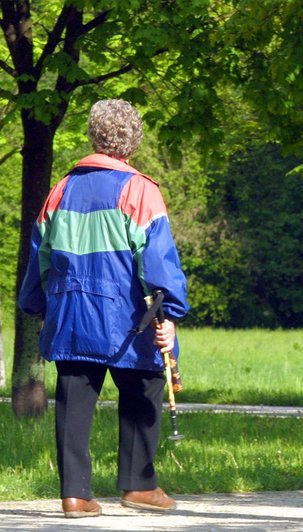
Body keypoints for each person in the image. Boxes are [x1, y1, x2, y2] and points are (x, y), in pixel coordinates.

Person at [18, 99, 189, 519]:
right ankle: (139, 485)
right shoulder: (139, 190)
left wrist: (35, 303)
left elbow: (40, 255)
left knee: (73, 402)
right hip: (127, 318)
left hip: (71, 317)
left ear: (94, 136)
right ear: (132, 141)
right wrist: (172, 310)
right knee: (144, 388)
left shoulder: (59, 190)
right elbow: (158, 260)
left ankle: (75, 495)